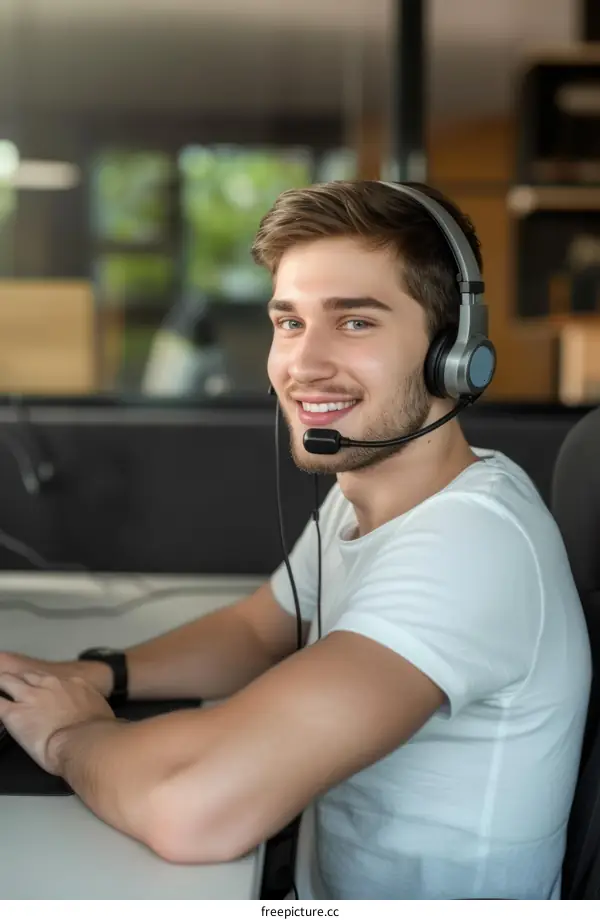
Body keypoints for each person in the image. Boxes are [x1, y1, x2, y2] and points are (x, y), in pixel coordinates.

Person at [0, 180, 592, 900]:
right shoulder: (369, 494)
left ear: (454, 353)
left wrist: (69, 737)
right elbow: (259, 630)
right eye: (289, 323)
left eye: (354, 323)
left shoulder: (470, 547)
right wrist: (95, 676)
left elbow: (196, 813)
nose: (302, 365)